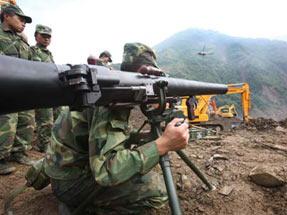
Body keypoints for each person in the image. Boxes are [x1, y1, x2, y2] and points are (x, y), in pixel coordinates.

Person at [43, 43, 189, 214]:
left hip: (65, 169)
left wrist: (149, 138)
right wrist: (163, 144)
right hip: (70, 183)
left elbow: (111, 137)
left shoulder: (114, 88)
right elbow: (105, 171)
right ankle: (82, 207)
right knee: (157, 192)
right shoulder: (112, 99)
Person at [0, 3, 35, 175]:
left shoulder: (22, 41)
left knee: (26, 119)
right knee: (6, 121)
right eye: (20, 19)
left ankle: (19, 152)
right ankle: (1, 158)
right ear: (6, 16)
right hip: (4, 89)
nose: (24, 23)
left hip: (22, 88)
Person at [31, 24, 54, 153]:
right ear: (36, 36)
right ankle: (43, 145)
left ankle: (49, 142)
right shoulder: (33, 50)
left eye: (49, 37)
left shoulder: (49, 53)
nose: (46, 39)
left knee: (53, 119)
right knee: (45, 120)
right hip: (40, 90)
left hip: (49, 89)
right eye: (43, 36)